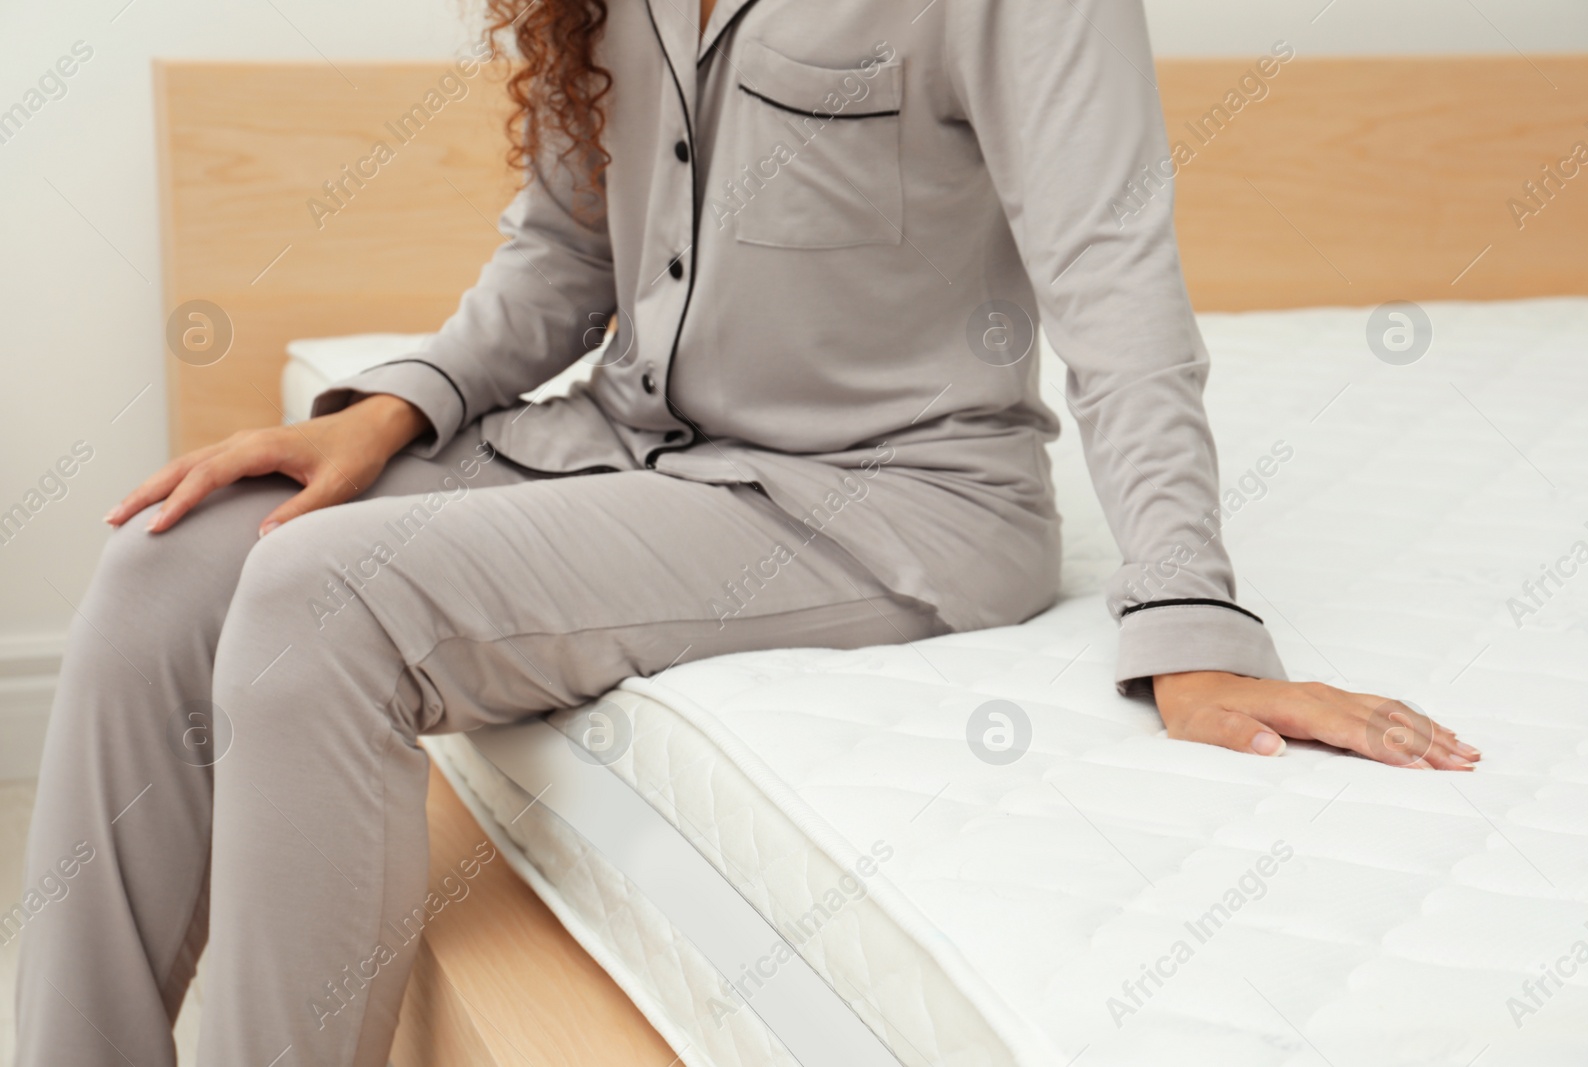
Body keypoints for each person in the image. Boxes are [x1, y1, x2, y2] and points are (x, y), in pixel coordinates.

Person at [15, 0, 1479, 1063]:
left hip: (882, 504)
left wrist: (1189, 626)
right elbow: (568, 256)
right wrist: (395, 409)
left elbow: (1118, 290)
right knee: (164, 564)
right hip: (631, 438)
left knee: (320, 598)